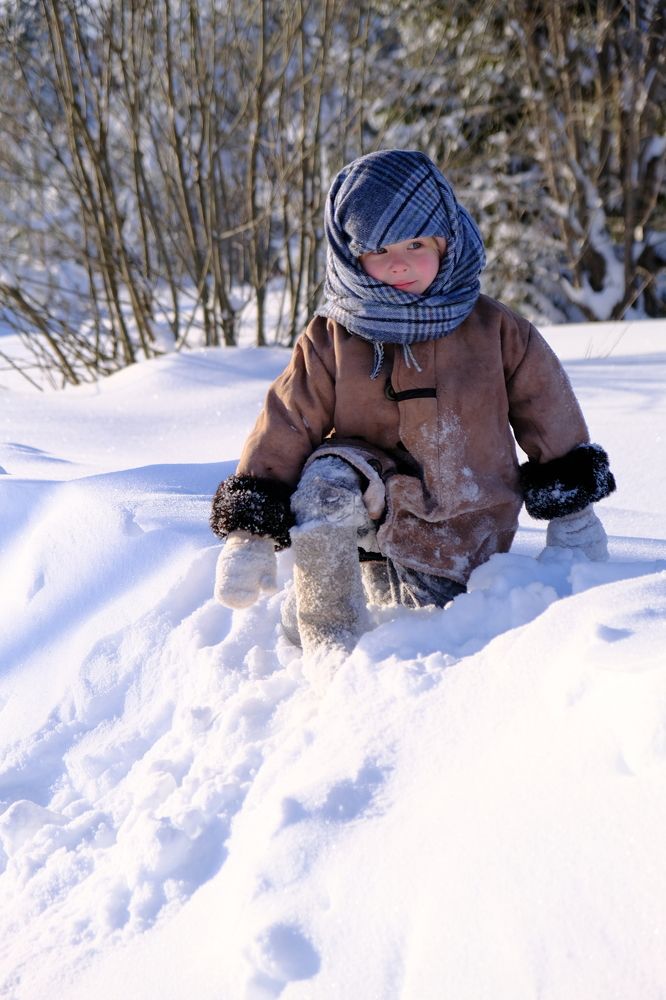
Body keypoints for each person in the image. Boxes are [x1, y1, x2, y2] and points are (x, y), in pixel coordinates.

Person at [209, 149, 615, 659]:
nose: (398, 262)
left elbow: (546, 410)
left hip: (466, 518)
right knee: (324, 485)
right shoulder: (333, 337)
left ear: (447, 240)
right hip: (367, 511)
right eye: (378, 251)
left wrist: (572, 515)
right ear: (350, 255)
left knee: (435, 613)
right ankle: (327, 633)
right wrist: (250, 531)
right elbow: (288, 420)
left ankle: (381, 609)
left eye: (415, 243)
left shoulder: (494, 330)